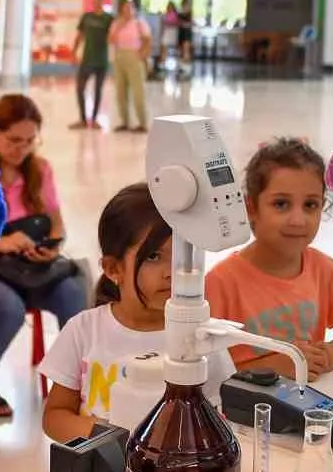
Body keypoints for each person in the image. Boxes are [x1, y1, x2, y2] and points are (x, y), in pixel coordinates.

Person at [41, 183, 234, 443]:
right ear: (113, 269)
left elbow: (221, 421)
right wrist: (116, 442)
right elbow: (55, 416)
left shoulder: (202, 337)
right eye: (154, 256)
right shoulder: (84, 329)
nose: (171, 272)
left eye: (181, 257)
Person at [0, 94, 88, 420]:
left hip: (26, 269)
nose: (21, 148)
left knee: (74, 294)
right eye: (13, 140)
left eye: (30, 140)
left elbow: (56, 222)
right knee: (8, 308)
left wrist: (51, 248)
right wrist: (3, 240)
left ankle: (77, 387)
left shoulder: (39, 170)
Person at [205, 138, 333, 379]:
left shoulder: (323, 269)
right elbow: (200, 370)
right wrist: (272, 367)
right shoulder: (220, 283)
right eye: (281, 204)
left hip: (307, 405)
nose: (298, 220)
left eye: (310, 205)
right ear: (252, 208)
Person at [71, 0, 112, 130]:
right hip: (87, 59)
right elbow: (80, 36)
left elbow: (112, 37)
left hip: (101, 60)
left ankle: (94, 119)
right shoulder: (86, 17)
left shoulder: (108, 18)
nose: (96, 0)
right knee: (80, 89)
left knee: (98, 90)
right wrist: (74, 52)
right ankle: (83, 119)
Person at [109, 2, 153, 132]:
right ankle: (124, 122)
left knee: (138, 92)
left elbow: (147, 40)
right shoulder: (116, 24)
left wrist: (143, 54)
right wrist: (119, 26)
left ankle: (143, 123)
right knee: (120, 92)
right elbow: (110, 40)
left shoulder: (139, 24)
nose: (127, 11)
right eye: (125, 8)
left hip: (134, 57)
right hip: (119, 57)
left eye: (130, 8)